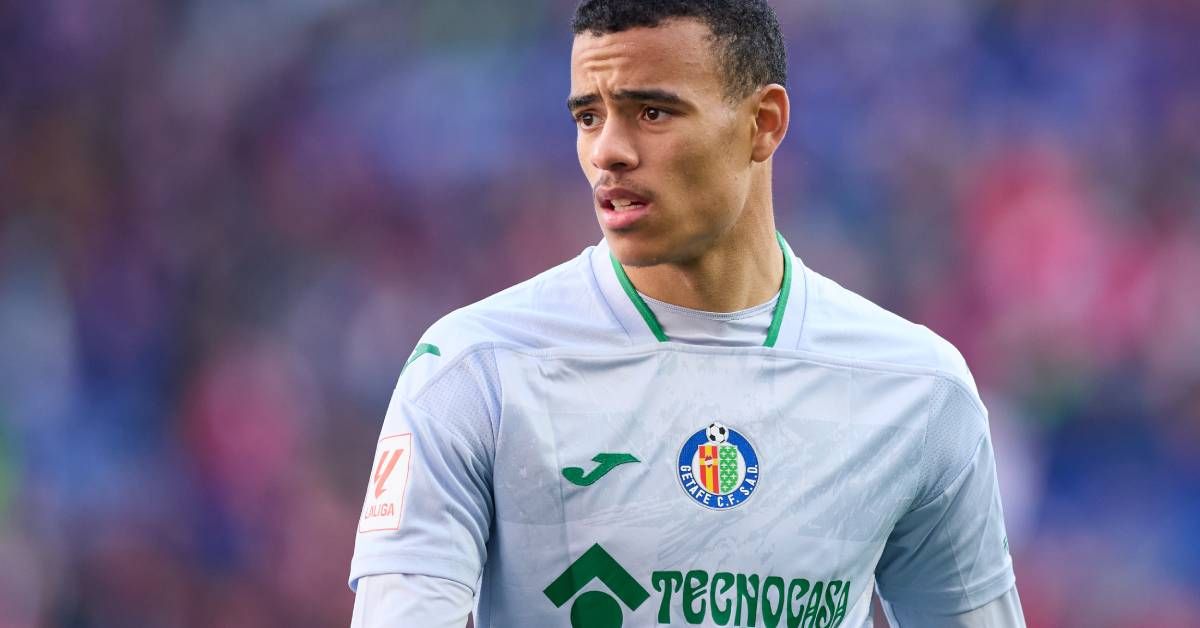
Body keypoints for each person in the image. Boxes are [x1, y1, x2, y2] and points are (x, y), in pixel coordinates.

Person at [349, 1, 1025, 626]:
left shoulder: (917, 389)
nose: (608, 151)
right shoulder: (475, 372)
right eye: (588, 116)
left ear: (764, 123)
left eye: (652, 112)